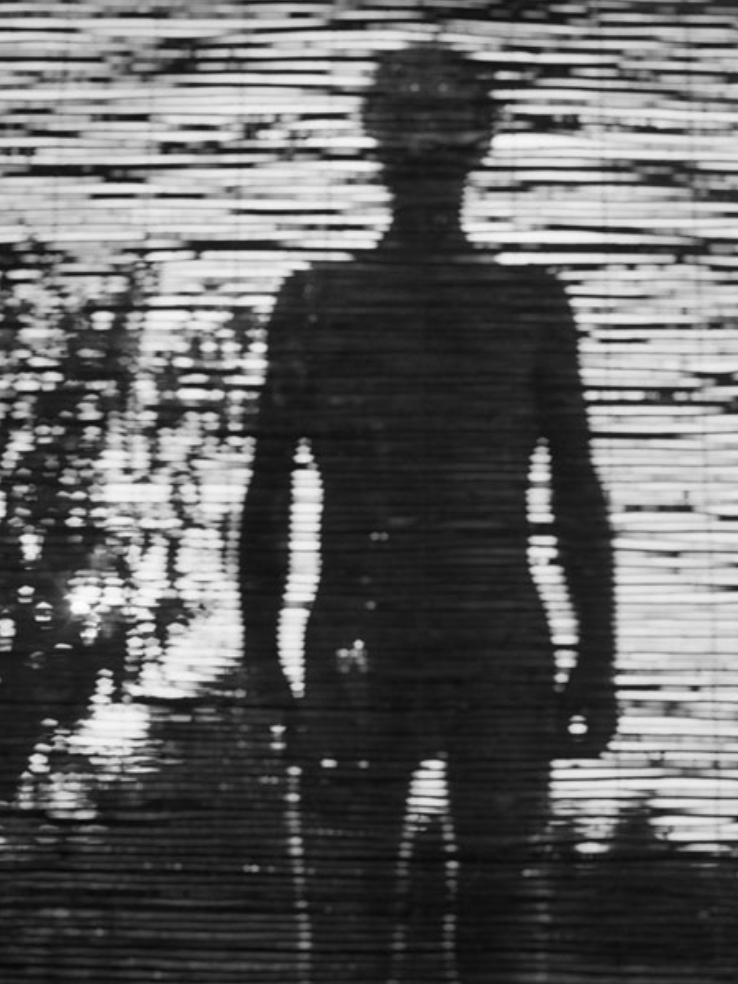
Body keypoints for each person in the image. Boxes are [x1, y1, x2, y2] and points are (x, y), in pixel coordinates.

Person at [240, 43, 616, 984]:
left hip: (492, 640)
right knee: (350, 943)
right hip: (363, 639)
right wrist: (260, 658)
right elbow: (268, 488)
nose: (423, 141)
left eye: (445, 118)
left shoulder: (527, 304)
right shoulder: (318, 300)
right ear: (373, 132)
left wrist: (597, 656)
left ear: (482, 136)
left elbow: (575, 487)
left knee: (499, 938)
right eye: (404, 117)